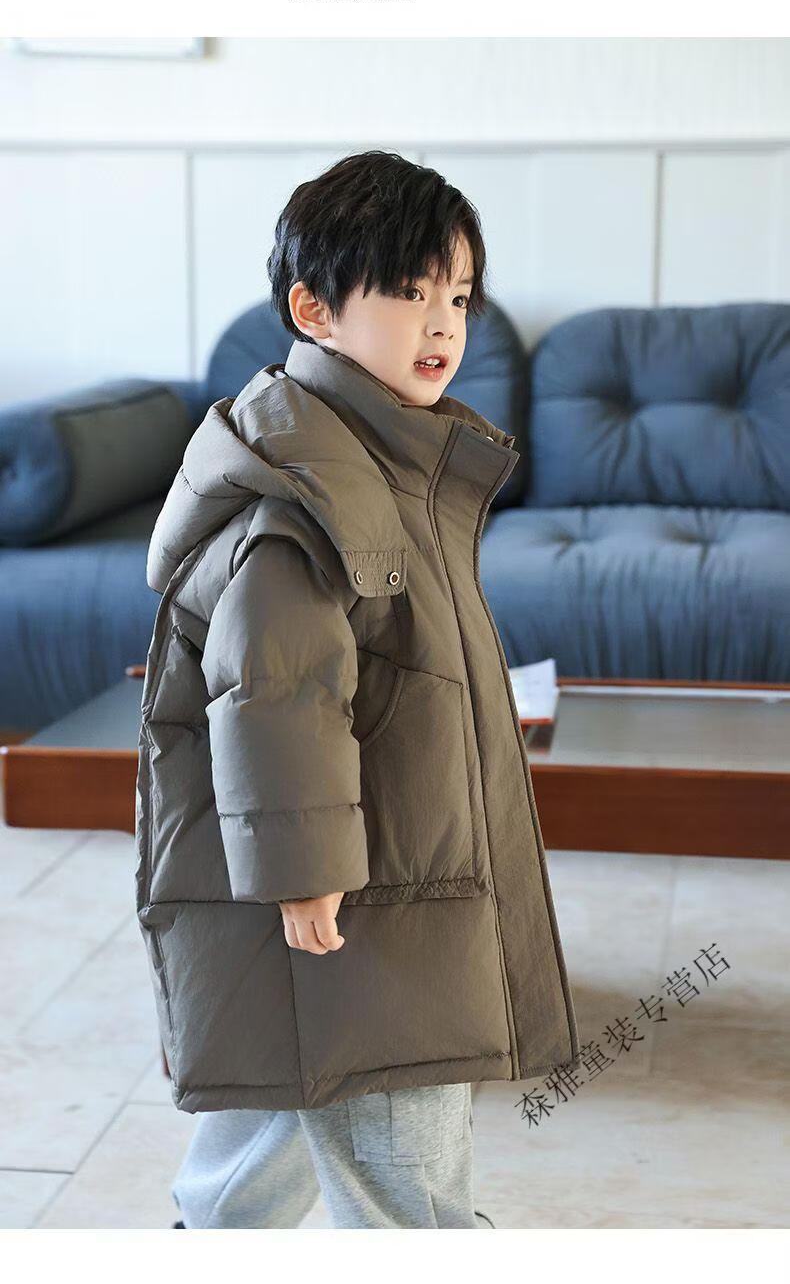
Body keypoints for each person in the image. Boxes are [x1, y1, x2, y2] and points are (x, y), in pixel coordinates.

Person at [135, 149, 581, 1230]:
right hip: (360, 903)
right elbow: (276, 688)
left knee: (278, 1107)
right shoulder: (310, 487)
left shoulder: (385, 459)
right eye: (410, 291)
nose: (443, 324)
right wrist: (303, 872)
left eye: (458, 297)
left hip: (387, 873)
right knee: (403, 1167)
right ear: (315, 308)